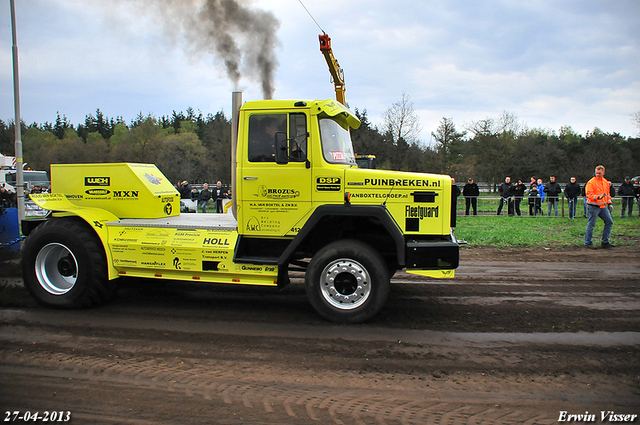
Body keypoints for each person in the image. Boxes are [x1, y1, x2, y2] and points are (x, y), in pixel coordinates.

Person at [584, 165, 614, 249]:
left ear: (603, 173)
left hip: (602, 206)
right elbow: (589, 195)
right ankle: (588, 242)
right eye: (597, 173)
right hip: (593, 206)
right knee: (592, 224)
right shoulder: (591, 182)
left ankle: (605, 241)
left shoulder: (605, 182)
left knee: (609, 222)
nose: (598, 174)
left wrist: (609, 203)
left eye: (599, 173)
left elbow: (607, 194)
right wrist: (598, 197)